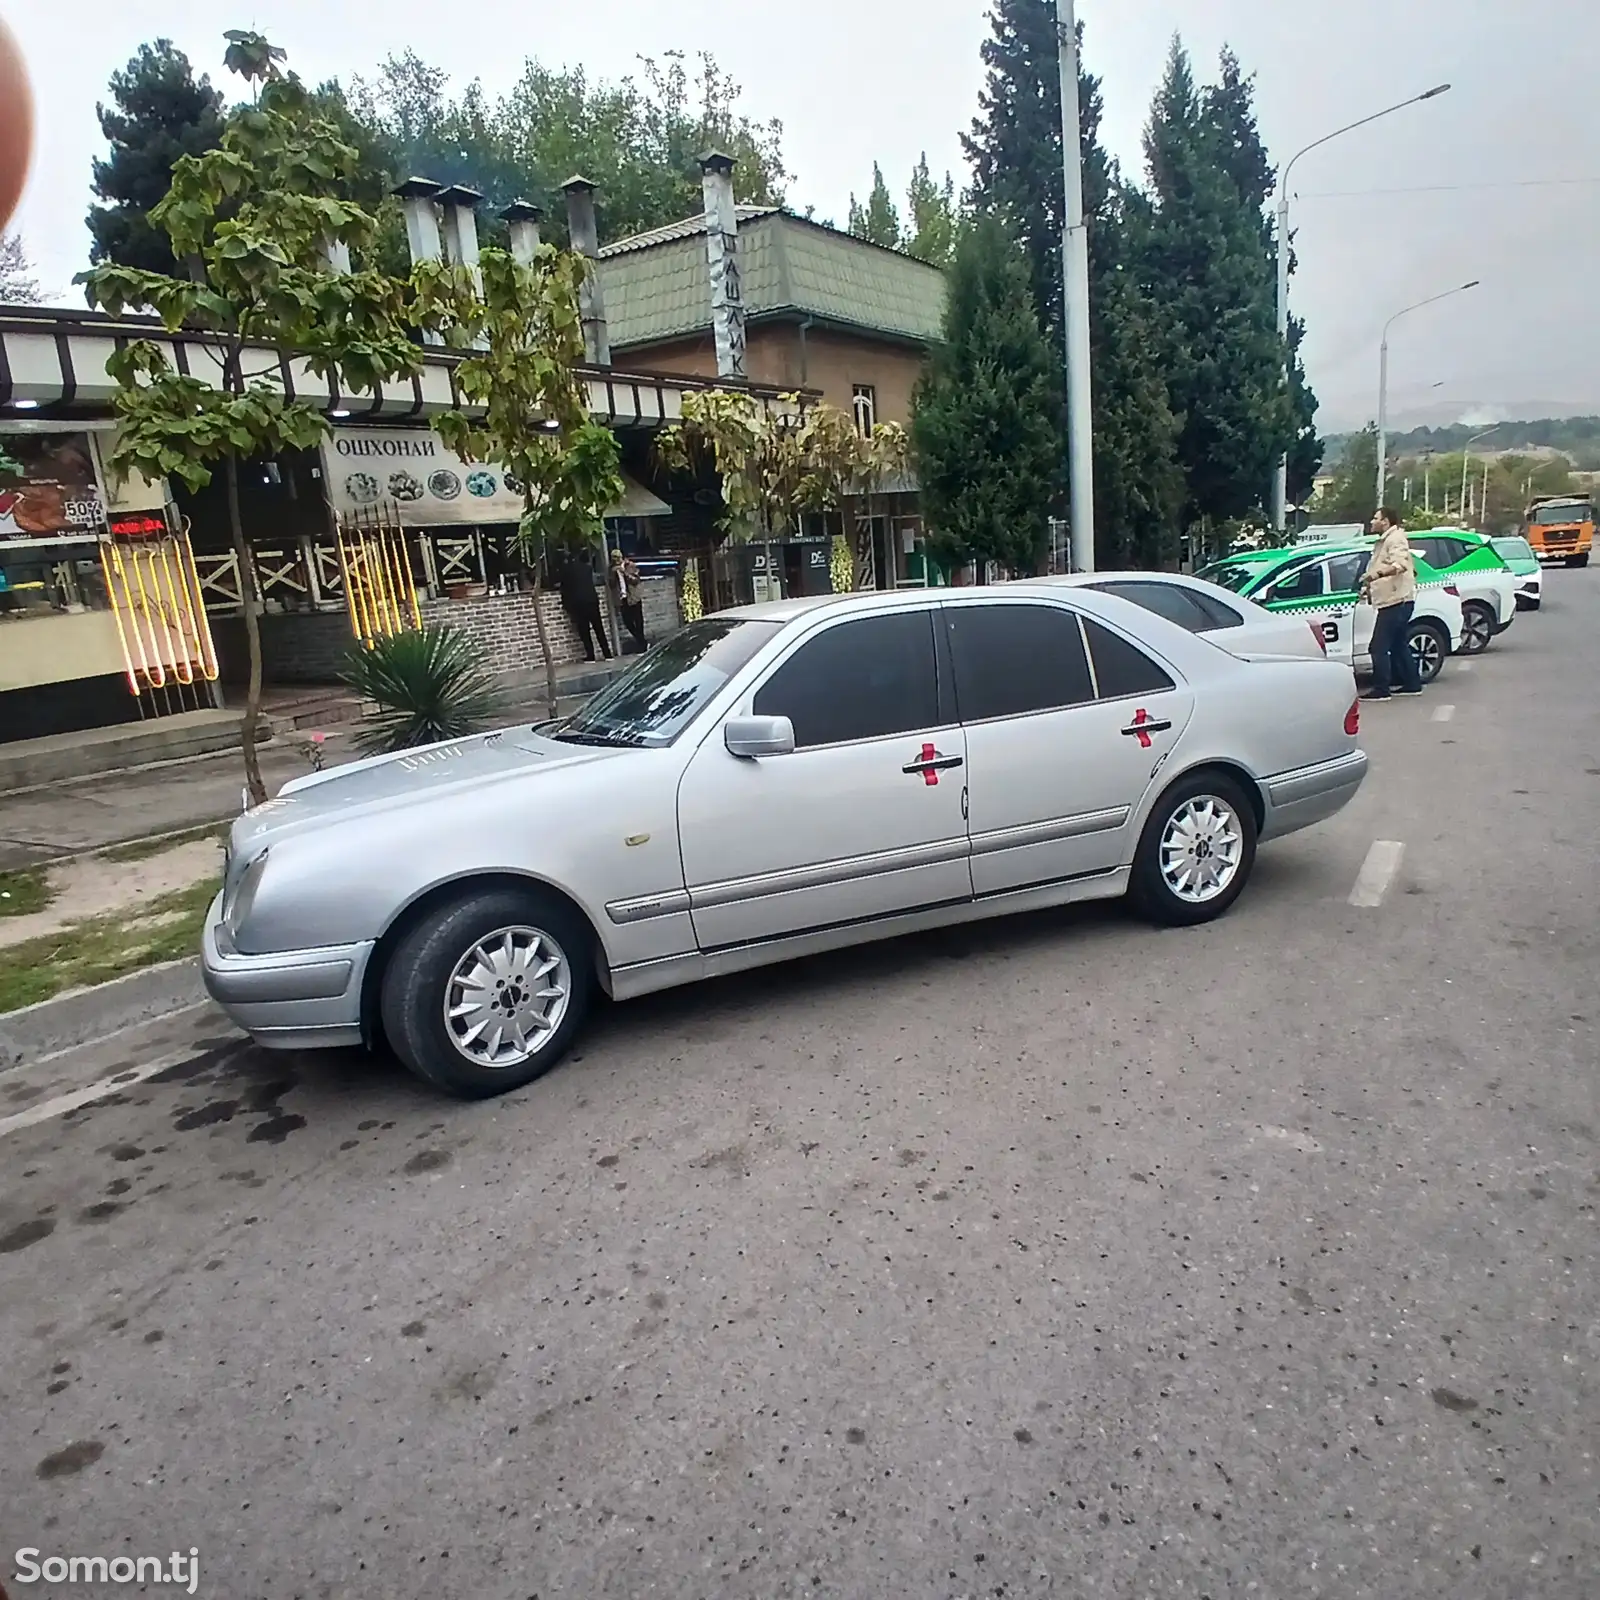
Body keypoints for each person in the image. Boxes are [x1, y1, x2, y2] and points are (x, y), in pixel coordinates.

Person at [1360, 507, 1421, 699]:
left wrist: (1376, 575)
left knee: (1377, 646)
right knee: (1398, 644)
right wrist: (1369, 587)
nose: (1371, 521)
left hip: (1396, 600)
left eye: (1375, 518)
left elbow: (1399, 565)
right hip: (1395, 599)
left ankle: (1381, 689)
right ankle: (1412, 683)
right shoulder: (1386, 540)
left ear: (1385, 521)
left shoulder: (1395, 539)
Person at [558, 550, 612, 662]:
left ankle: (591, 656)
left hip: (579, 603)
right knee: (599, 628)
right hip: (592, 600)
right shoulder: (587, 568)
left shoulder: (566, 570)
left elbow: (564, 588)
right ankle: (607, 654)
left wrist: (566, 604)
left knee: (584, 631)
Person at [610, 547, 647, 652]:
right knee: (628, 622)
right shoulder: (612, 569)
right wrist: (613, 573)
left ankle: (642, 645)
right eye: (614, 559)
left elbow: (636, 580)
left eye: (618, 559)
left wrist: (624, 573)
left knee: (638, 621)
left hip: (633, 597)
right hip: (623, 598)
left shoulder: (630, 565)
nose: (616, 561)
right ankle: (641, 641)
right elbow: (611, 584)